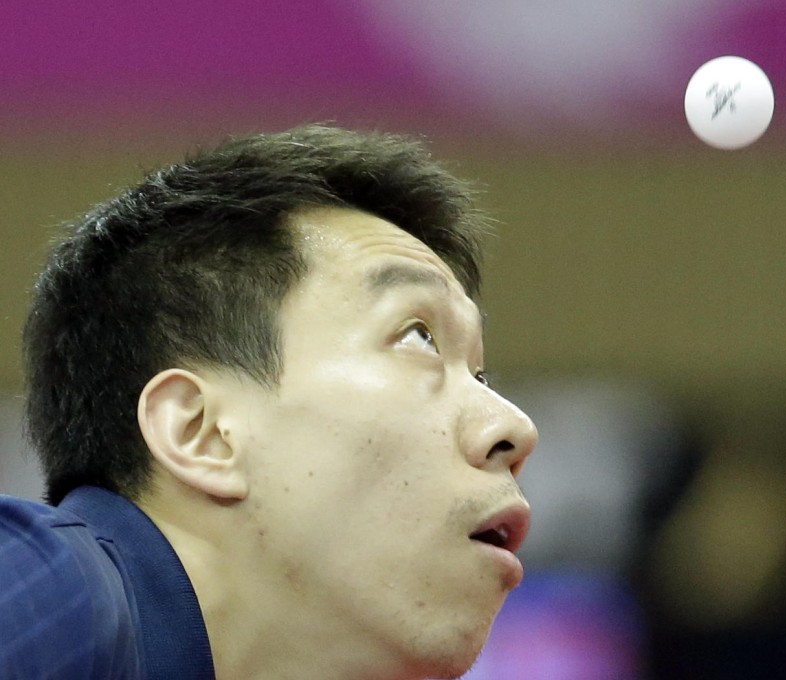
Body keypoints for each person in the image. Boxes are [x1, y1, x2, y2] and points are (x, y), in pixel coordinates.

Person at [0, 124, 538, 679]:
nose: (513, 427)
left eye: (479, 373)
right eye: (418, 337)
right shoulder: (44, 586)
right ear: (201, 432)